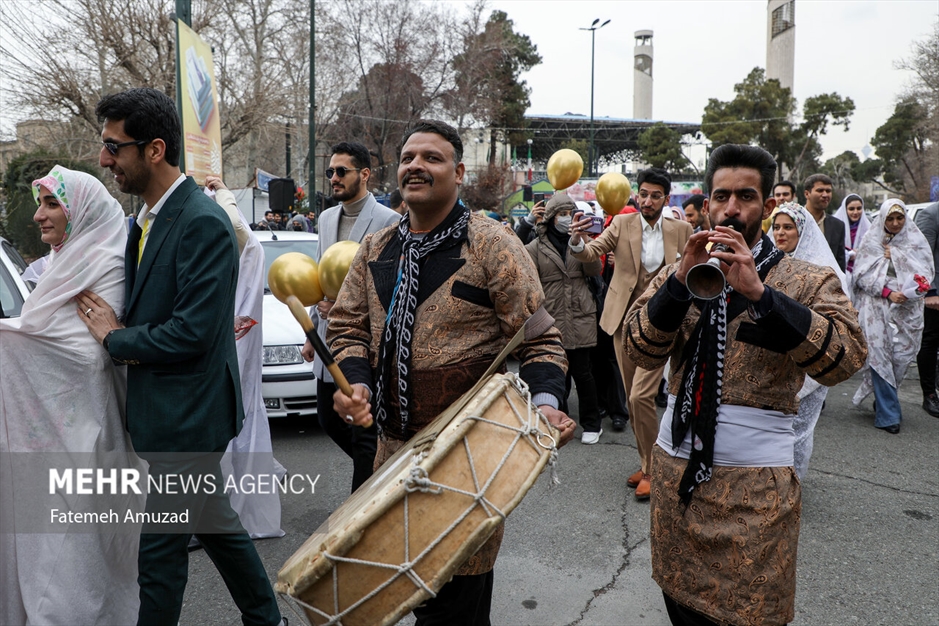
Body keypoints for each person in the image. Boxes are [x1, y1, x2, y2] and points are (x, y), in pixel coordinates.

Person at [328, 120, 574, 625]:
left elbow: (542, 340)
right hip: (389, 457)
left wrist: (546, 406)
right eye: (408, 157)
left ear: (459, 173)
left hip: (466, 463)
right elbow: (348, 326)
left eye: (432, 158)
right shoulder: (375, 248)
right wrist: (356, 383)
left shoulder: (493, 244)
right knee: (403, 598)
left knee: (458, 610)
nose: (416, 166)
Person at [624, 144, 867, 626]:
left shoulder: (807, 278)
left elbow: (846, 360)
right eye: (721, 196)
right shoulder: (683, 267)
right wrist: (675, 285)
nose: (731, 208)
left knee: (750, 613)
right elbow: (639, 348)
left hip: (754, 491)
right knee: (680, 605)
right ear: (708, 202)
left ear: (768, 205)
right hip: (677, 480)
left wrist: (762, 295)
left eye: (746, 197)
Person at [77, 87, 283, 626]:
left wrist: (113, 338)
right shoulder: (144, 220)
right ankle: (269, 619)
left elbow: (189, 332)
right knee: (217, 525)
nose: (105, 160)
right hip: (168, 413)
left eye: (113, 147)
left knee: (159, 557)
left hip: (188, 416)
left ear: (154, 149)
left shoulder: (201, 222)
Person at [1, 165, 142, 625]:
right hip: (50, 438)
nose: (39, 216)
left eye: (51, 204)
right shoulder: (60, 263)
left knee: (81, 546)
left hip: (92, 435)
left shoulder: (111, 263)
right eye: (41, 204)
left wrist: (14, 340)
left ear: (78, 211)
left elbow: (87, 353)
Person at [570, 168, 692, 500]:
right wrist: (578, 239)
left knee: (641, 397)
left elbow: (694, 270)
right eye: (643, 193)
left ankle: (655, 470)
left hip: (663, 324)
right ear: (636, 195)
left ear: (666, 199)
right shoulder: (621, 224)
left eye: (655, 195)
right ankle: (646, 461)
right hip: (624, 321)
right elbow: (591, 253)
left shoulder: (682, 229)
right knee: (632, 400)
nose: (648, 200)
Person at [301, 141, 400, 493]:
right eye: (330, 172)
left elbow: (389, 289)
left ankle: (364, 505)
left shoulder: (389, 220)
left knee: (363, 435)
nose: (334, 178)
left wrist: (345, 307)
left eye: (341, 171)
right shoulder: (327, 218)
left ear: (365, 174)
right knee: (328, 418)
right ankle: (382, 470)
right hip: (328, 336)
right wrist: (312, 332)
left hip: (365, 343)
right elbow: (319, 277)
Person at [205, 174, 286, 539]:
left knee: (231, 424)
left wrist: (222, 192)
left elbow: (235, 226)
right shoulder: (245, 245)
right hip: (233, 349)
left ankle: (226, 511)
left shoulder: (238, 241)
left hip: (232, 350)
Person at [772, 202, 850, 479]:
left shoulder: (824, 269)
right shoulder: (768, 264)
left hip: (810, 360)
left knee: (799, 430)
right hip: (774, 361)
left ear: (802, 230)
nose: (780, 233)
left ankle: (793, 480)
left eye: (788, 227)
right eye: (776, 227)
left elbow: (839, 319)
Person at [852, 199, 934, 434]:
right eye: (890, 218)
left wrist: (898, 256)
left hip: (908, 308)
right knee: (880, 357)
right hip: (877, 305)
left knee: (901, 357)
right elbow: (860, 276)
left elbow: (926, 272)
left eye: (900, 218)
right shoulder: (872, 240)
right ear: (883, 219)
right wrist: (888, 291)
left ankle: (884, 400)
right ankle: (888, 415)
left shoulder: (915, 240)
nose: (896, 223)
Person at [526, 194, 603, 443]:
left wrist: (580, 244)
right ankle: (561, 421)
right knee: (557, 372)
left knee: (584, 373)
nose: (566, 218)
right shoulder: (536, 246)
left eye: (570, 213)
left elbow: (594, 269)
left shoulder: (581, 240)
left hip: (580, 313)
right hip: (552, 314)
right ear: (550, 218)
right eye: (561, 213)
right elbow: (526, 277)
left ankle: (592, 423)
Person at [914, 201, 939, 417]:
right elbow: (923, 257)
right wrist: (930, 292)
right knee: (930, 341)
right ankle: (929, 394)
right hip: (936, 294)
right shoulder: (931, 215)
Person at [803, 173, 847, 271]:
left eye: (828, 191)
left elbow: (840, 263)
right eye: (820, 190)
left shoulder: (838, 226)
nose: (825, 195)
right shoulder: (794, 220)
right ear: (807, 194)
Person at [832, 193, 871, 277]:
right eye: (851, 209)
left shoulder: (869, 228)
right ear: (845, 210)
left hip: (863, 274)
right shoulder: (835, 227)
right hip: (840, 273)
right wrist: (848, 254)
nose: (855, 212)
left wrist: (860, 254)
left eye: (859, 208)